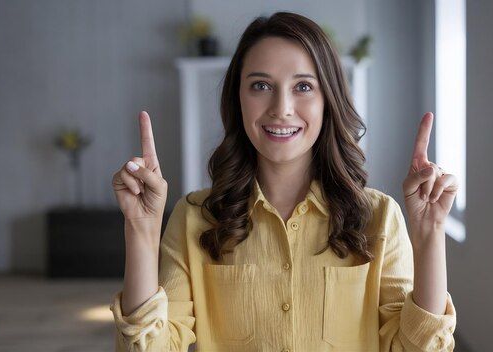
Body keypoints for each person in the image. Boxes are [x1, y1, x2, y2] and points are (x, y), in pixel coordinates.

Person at [110, 11, 457, 352]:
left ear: (328, 102)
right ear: (238, 99)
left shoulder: (380, 218)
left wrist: (430, 236)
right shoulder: (193, 218)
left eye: (303, 86)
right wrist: (141, 230)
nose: (282, 107)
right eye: (261, 85)